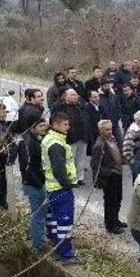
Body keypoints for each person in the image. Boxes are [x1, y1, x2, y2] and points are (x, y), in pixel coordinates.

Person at [41, 112, 80, 265]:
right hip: (60, 189)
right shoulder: (56, 144)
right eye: (65, 124)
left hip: (52, 187)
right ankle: (66, 254)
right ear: (56, 124)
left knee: (54, 219)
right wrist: (68, 185)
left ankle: (56, 245)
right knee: (64, 222)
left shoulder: (50, 138)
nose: (68, 127)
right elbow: (59, 170)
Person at [19, 117, 49, 252]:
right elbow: (27, 167)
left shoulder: (35, 139)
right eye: (41, 126)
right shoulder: (29, 143)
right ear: (32, 128)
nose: (44, 128)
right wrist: (39, 184)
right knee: (38, 215)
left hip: (35, 182)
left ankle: (36, 238)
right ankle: (39, 245)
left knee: (38, 214)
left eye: (44, 125)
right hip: (34, 184)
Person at [90, 119, 125, 235]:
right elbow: (95, 165)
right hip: (110, 177)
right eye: (107, 129)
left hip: (117, 174)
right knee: (110, 201)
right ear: (101, 130)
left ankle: (116, 219)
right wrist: (110, 172)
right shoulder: (99, 145)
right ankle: (110, 224)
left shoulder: (113, 139)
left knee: (118, 198)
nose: (110, 131)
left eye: (111, 129)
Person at [52, 89, 89, 186]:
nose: (75, 97)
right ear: (66, 96)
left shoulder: (79, 106)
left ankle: (80, 177)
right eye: (72, 95)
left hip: (82, 136)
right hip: (70, 137)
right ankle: (71, 178)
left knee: (81, 159)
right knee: (70, 159)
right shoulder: (60, 107)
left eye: (76, 95)